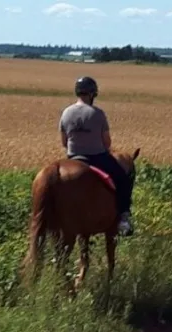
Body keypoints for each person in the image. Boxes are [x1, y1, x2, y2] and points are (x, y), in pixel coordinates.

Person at [58, 76, 134, 236]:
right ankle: (123, 218)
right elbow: (106, 143)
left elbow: (64, 142)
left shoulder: (66, 112)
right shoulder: (97, 113)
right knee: (123, 179)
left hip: (72, 157)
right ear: (92, 94)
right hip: (96, 157)